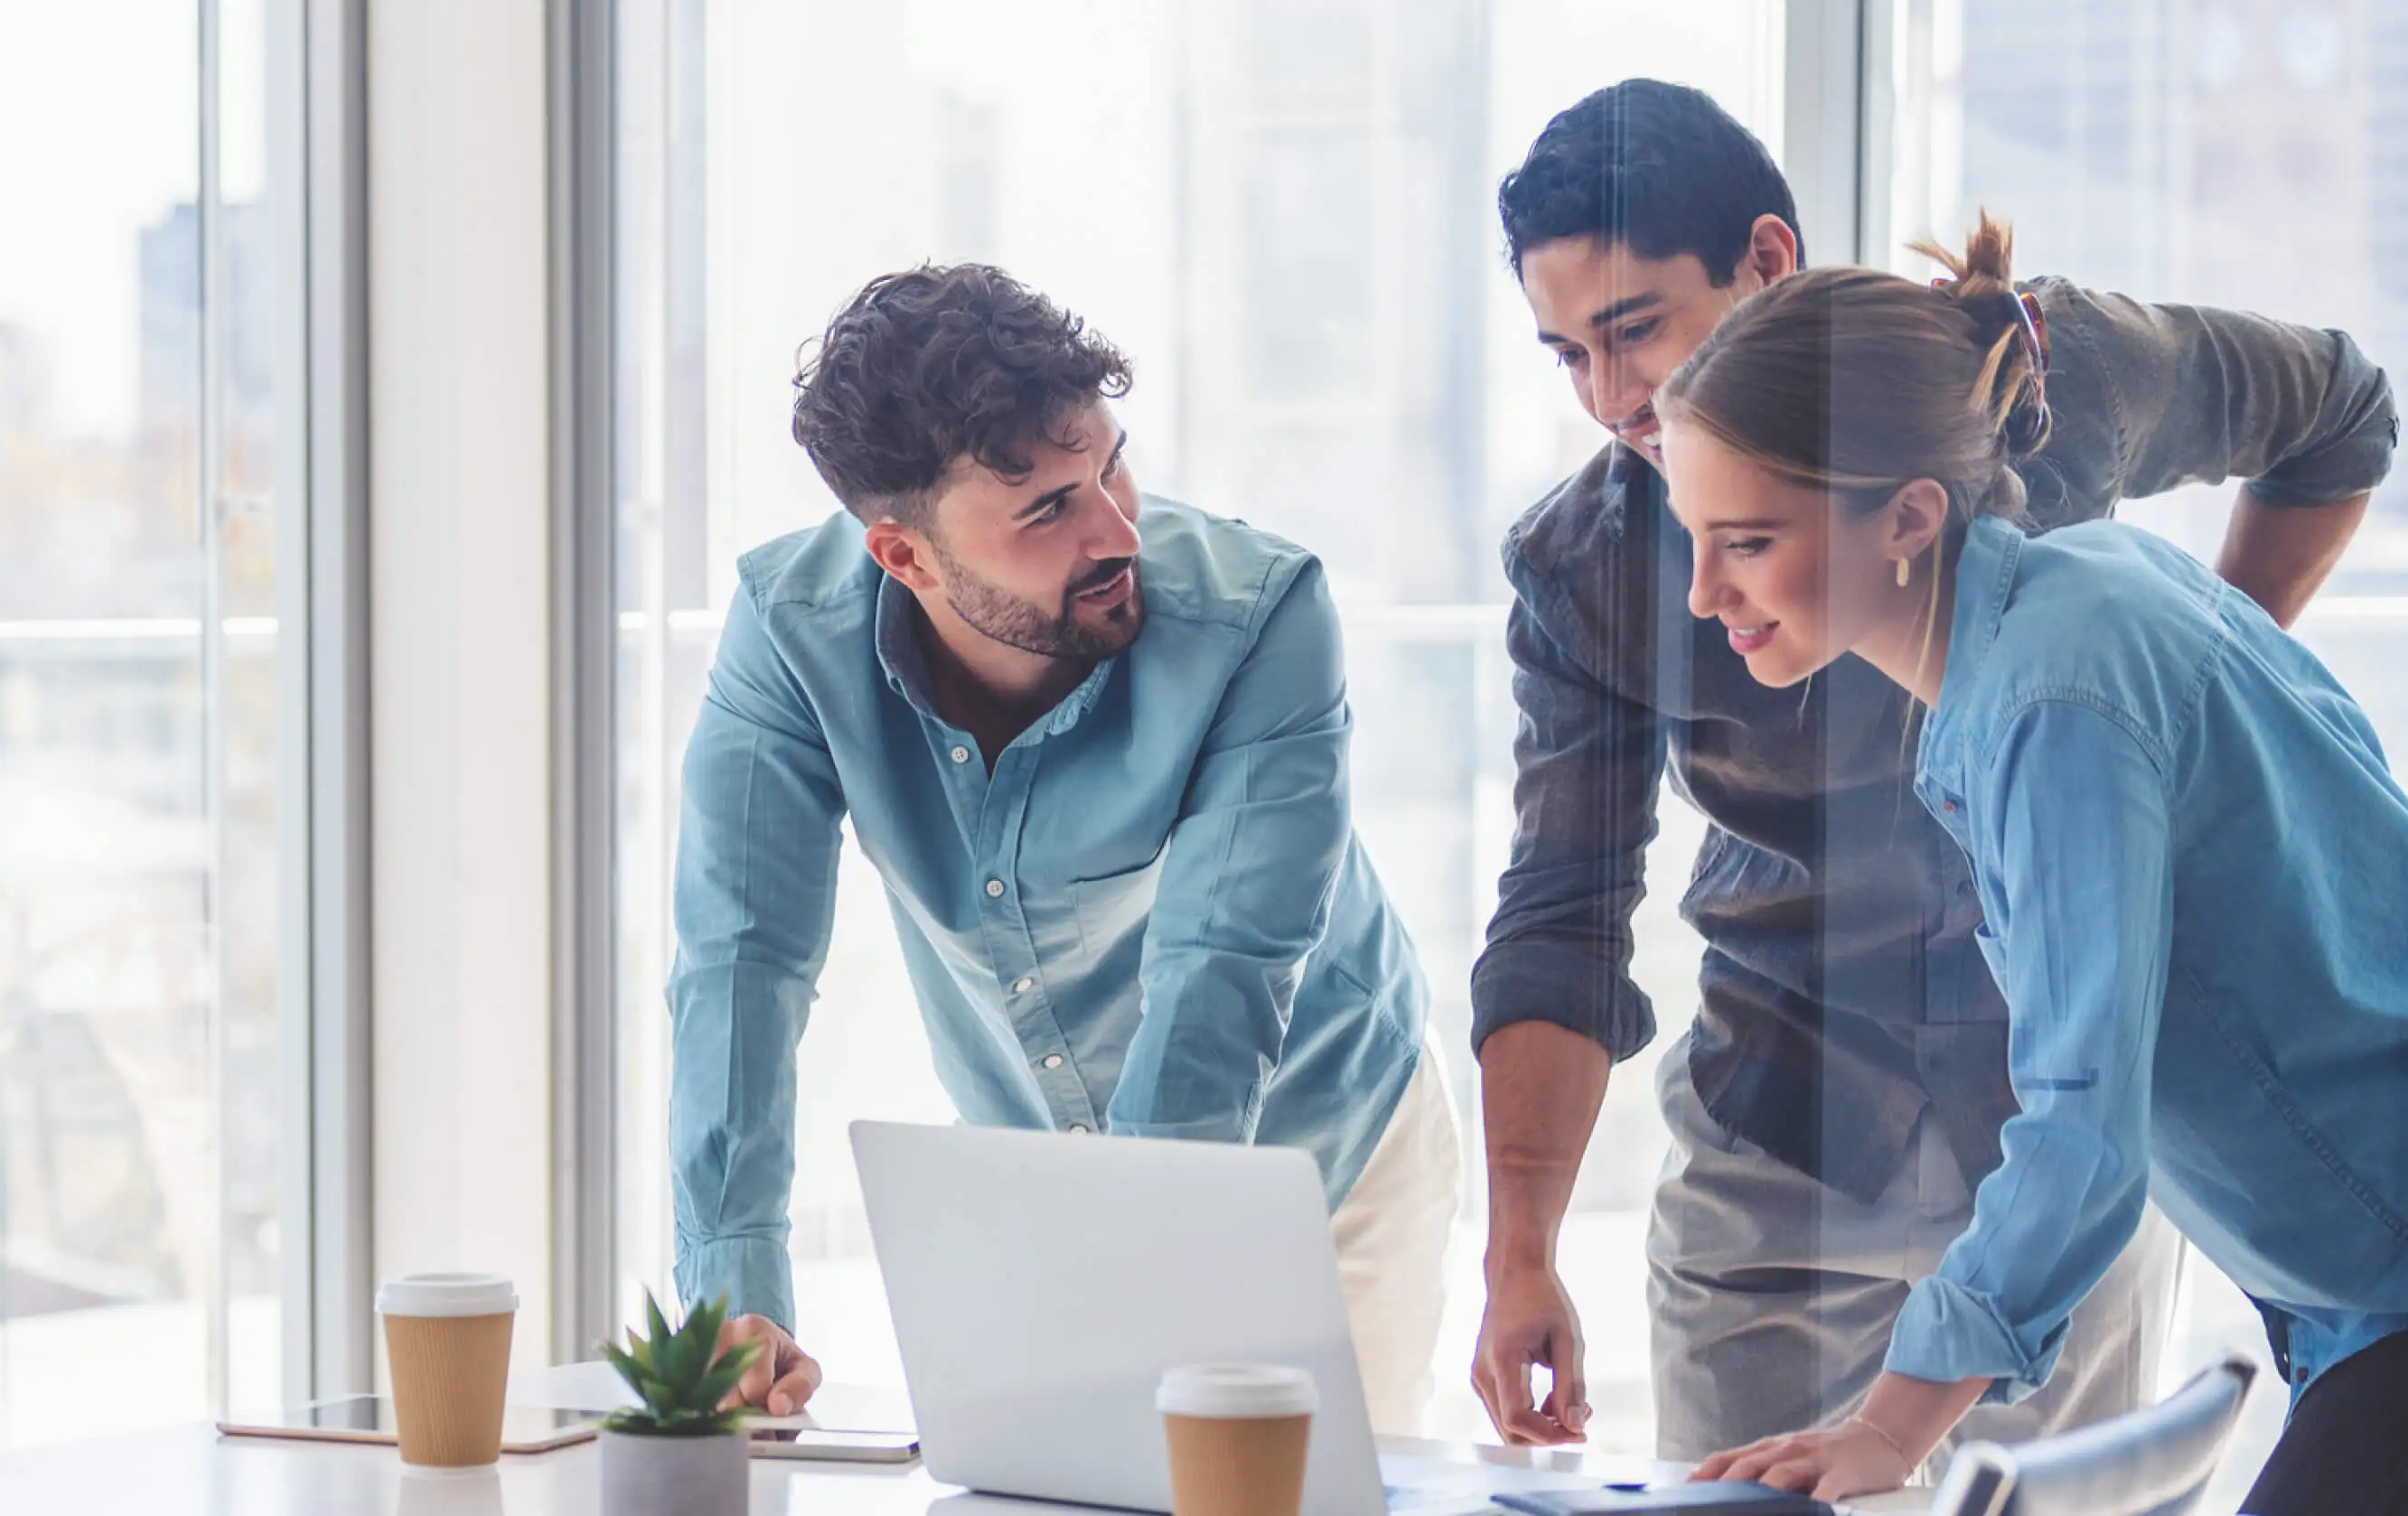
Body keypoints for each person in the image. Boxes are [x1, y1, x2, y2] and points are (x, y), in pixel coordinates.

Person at [1469, 79, 2394, 1467]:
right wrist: (1522, 1247)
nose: (1614, 406)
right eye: (1566, 358)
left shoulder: (2062, 669)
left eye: (1633, 333)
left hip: (2292, 1234)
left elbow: (2081, 1122)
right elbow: (1560, 913)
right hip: (1822, 1116)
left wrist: (1893, 1427)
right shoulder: (2060, 622)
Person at [1658, 213, 2408, 1513]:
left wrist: (1892, 1427)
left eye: (1748, 540)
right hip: (2356, 1294)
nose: (1701, 594)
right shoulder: (2093, 594)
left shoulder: (2053, 699)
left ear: (1907, 516)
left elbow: (2079, 1125)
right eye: (1694, 535)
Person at [670, 263, 1461, 1429]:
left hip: (1316, 1151)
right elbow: (740, 963)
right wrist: (734, 1298)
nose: (1117, 528)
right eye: (1046, 508)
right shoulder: (793, 635)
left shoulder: (1260, 614)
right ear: (905, 557)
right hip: (1036, 1165)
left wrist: (1130, 1293)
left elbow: (1221, 970)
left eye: (1109, 465)